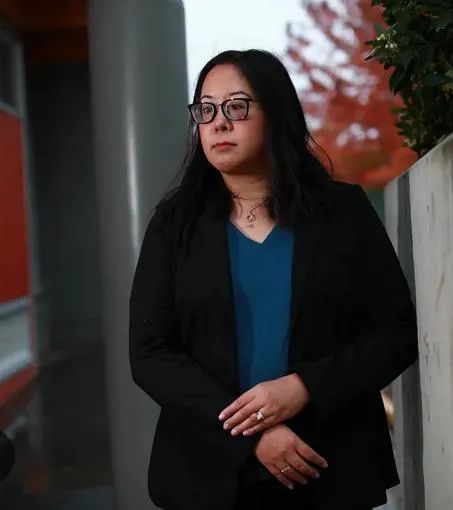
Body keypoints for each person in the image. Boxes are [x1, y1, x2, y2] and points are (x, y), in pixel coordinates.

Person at [129, 49, 418, 510]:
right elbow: (150, 354)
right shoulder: (175, 224)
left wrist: (304, 387)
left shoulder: (342, 213)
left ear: (276, 113)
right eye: (206, 110)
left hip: (328, 466)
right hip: (207, 477)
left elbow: (397, 333)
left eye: (237, 107)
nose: (218, 123)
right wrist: (251, 435)